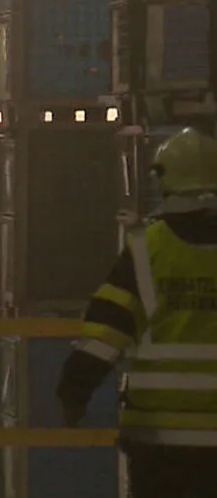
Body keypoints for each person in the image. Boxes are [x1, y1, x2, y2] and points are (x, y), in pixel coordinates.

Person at [57, 127, 217, 498]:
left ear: (165, 182)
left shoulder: (148, 248)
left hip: (159, 443)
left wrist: (74, 390)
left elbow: (105, 333)